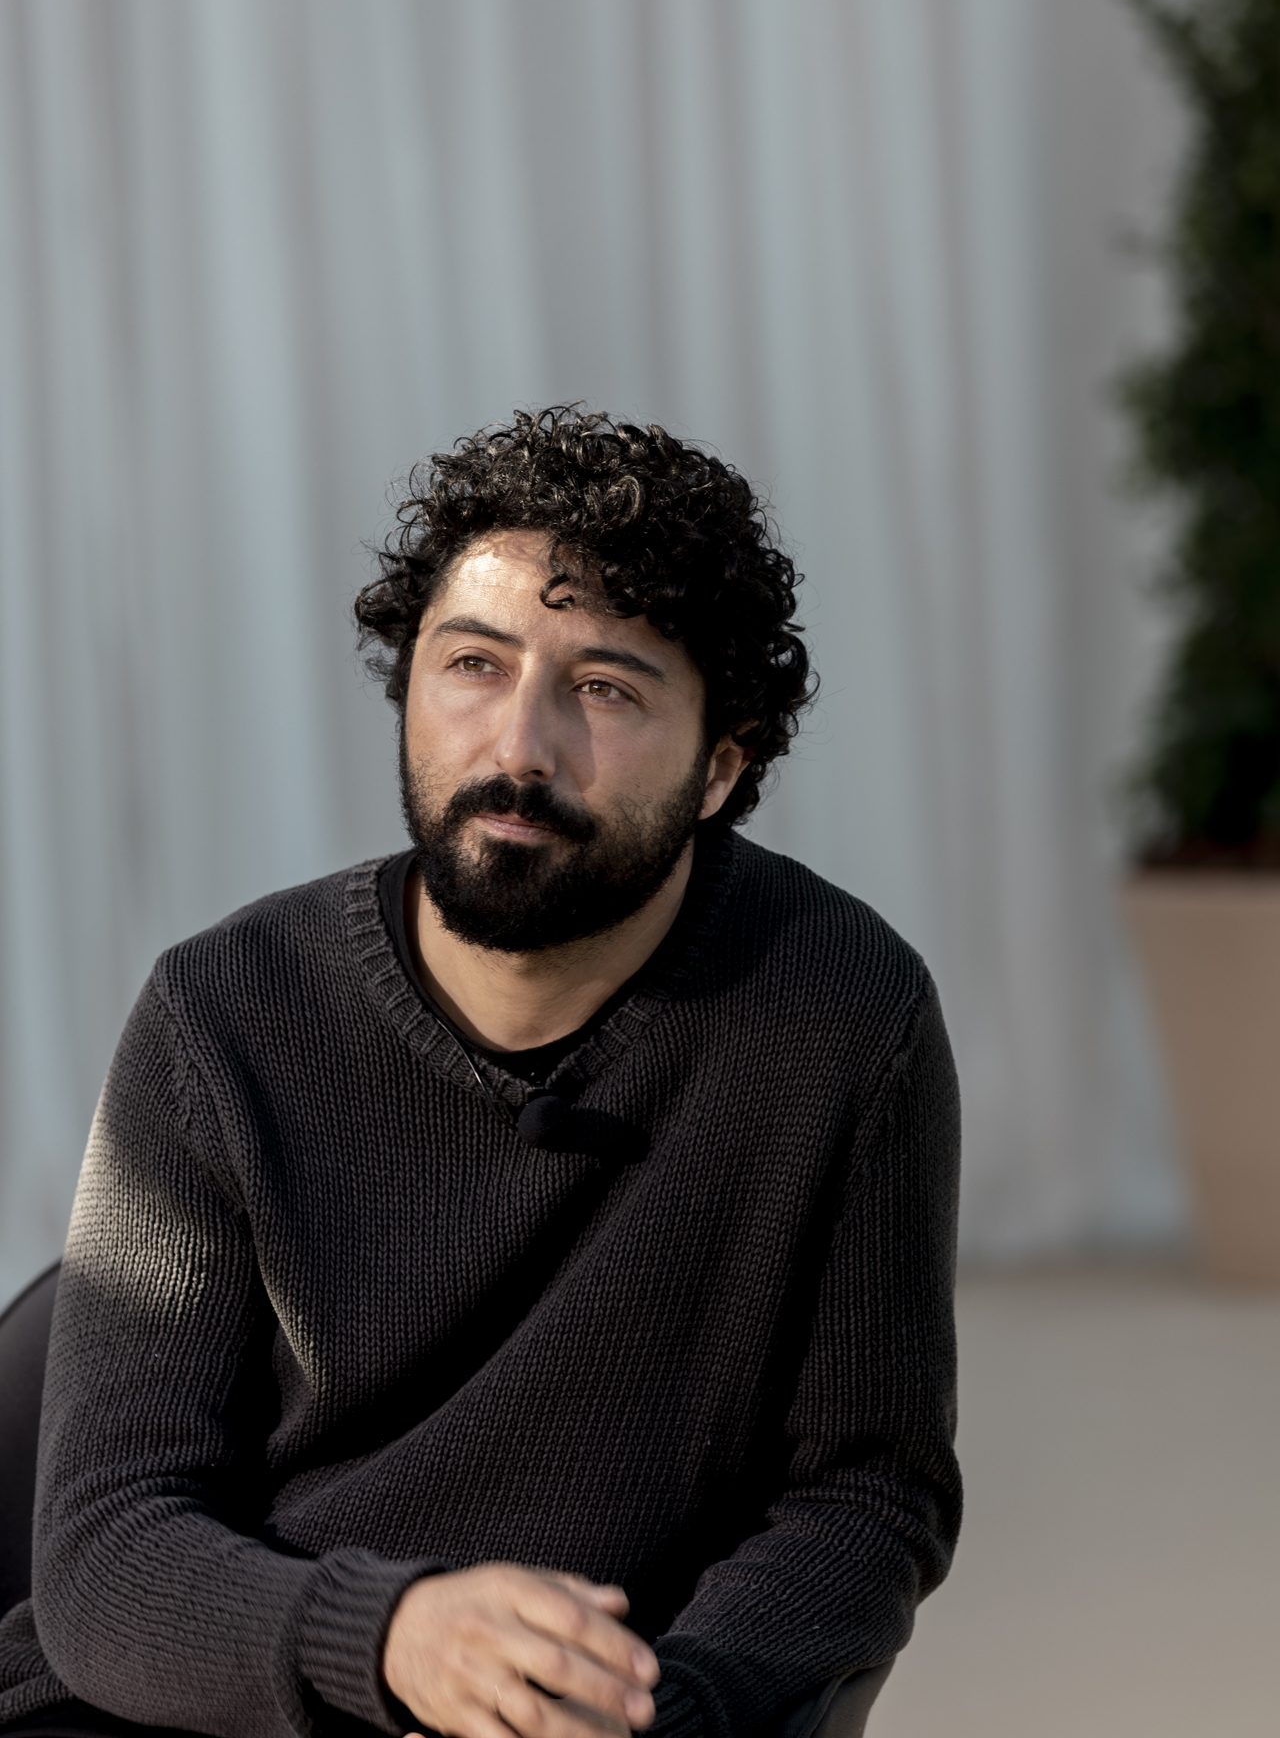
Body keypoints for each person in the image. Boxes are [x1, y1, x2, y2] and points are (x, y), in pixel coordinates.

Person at [0, 408, 961, 1738]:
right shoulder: (221, 1013)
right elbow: (104, 1546)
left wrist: (662, 1709)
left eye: (605, 689)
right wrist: (387, 1636)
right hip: (214, 1691)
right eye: (471, 665)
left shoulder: (844, 1016)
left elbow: (864, 1496)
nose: (518, 749)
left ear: (719, 767)